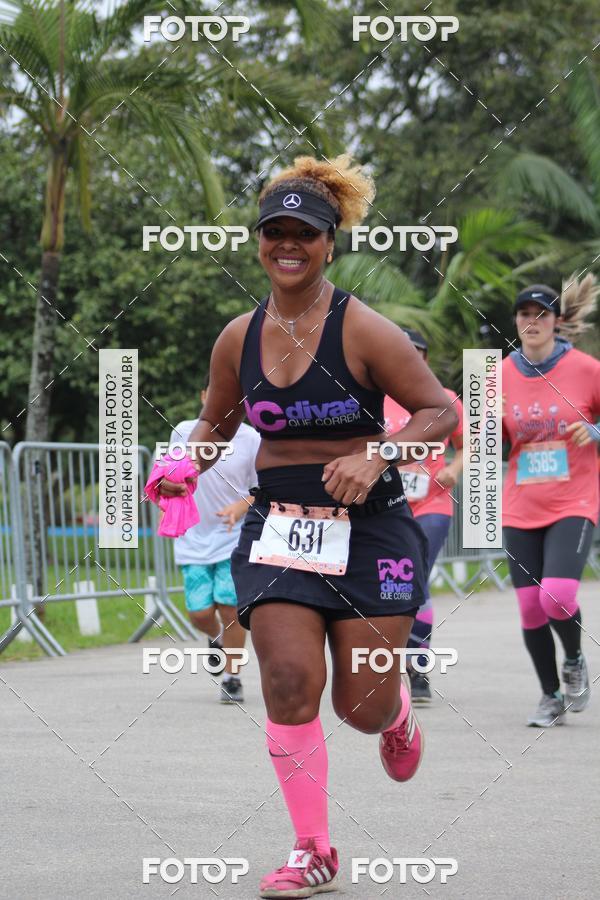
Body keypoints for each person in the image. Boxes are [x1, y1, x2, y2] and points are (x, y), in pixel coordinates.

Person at [157, 154, 458, 897]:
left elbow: (442, 411)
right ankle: (313, 849)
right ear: (259, 241)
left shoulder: (363, 328)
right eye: (274, 231)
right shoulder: (238, 336)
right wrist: (183, 466)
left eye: (305, 232)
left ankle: (393, 721)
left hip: (371, 531)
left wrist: (380, 452)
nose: (287, 244)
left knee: (359, 707)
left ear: (331, 242)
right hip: (279, 530)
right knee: (287, 680)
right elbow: (217, 421)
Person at [502, 277, 600, 727]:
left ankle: (575, 657)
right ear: (517, 322)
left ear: (557, 322)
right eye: (525, 314)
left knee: (556, 596)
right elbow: (487, 442)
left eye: (542, 314)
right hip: (521, 503)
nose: (532, 321)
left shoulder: (586, 369)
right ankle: (550, 696)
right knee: (528, 606)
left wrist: (596, 431)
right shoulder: (496, 374)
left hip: (575, 499)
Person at [384, 329, 463, 702]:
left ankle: (417, 671)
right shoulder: (374, 401)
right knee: (394, 587)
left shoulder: (445, 399)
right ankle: (397, 666)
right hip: (386, 509)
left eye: (416, 353)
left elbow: (470, 443)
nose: (408, 359)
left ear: (425, 359)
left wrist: (455, 468)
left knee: (414, 576)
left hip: (433, 505)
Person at [169, 381, 259, 703]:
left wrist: (240, 507)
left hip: (231, 537)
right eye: (216, 394)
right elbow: (170, 475)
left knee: (230, 606)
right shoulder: (182, 431)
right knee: (199, 612)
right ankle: (215, 637)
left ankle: (232, 677)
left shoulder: (251, 438)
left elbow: (260, 488)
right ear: (204, 397)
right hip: (193, 535)